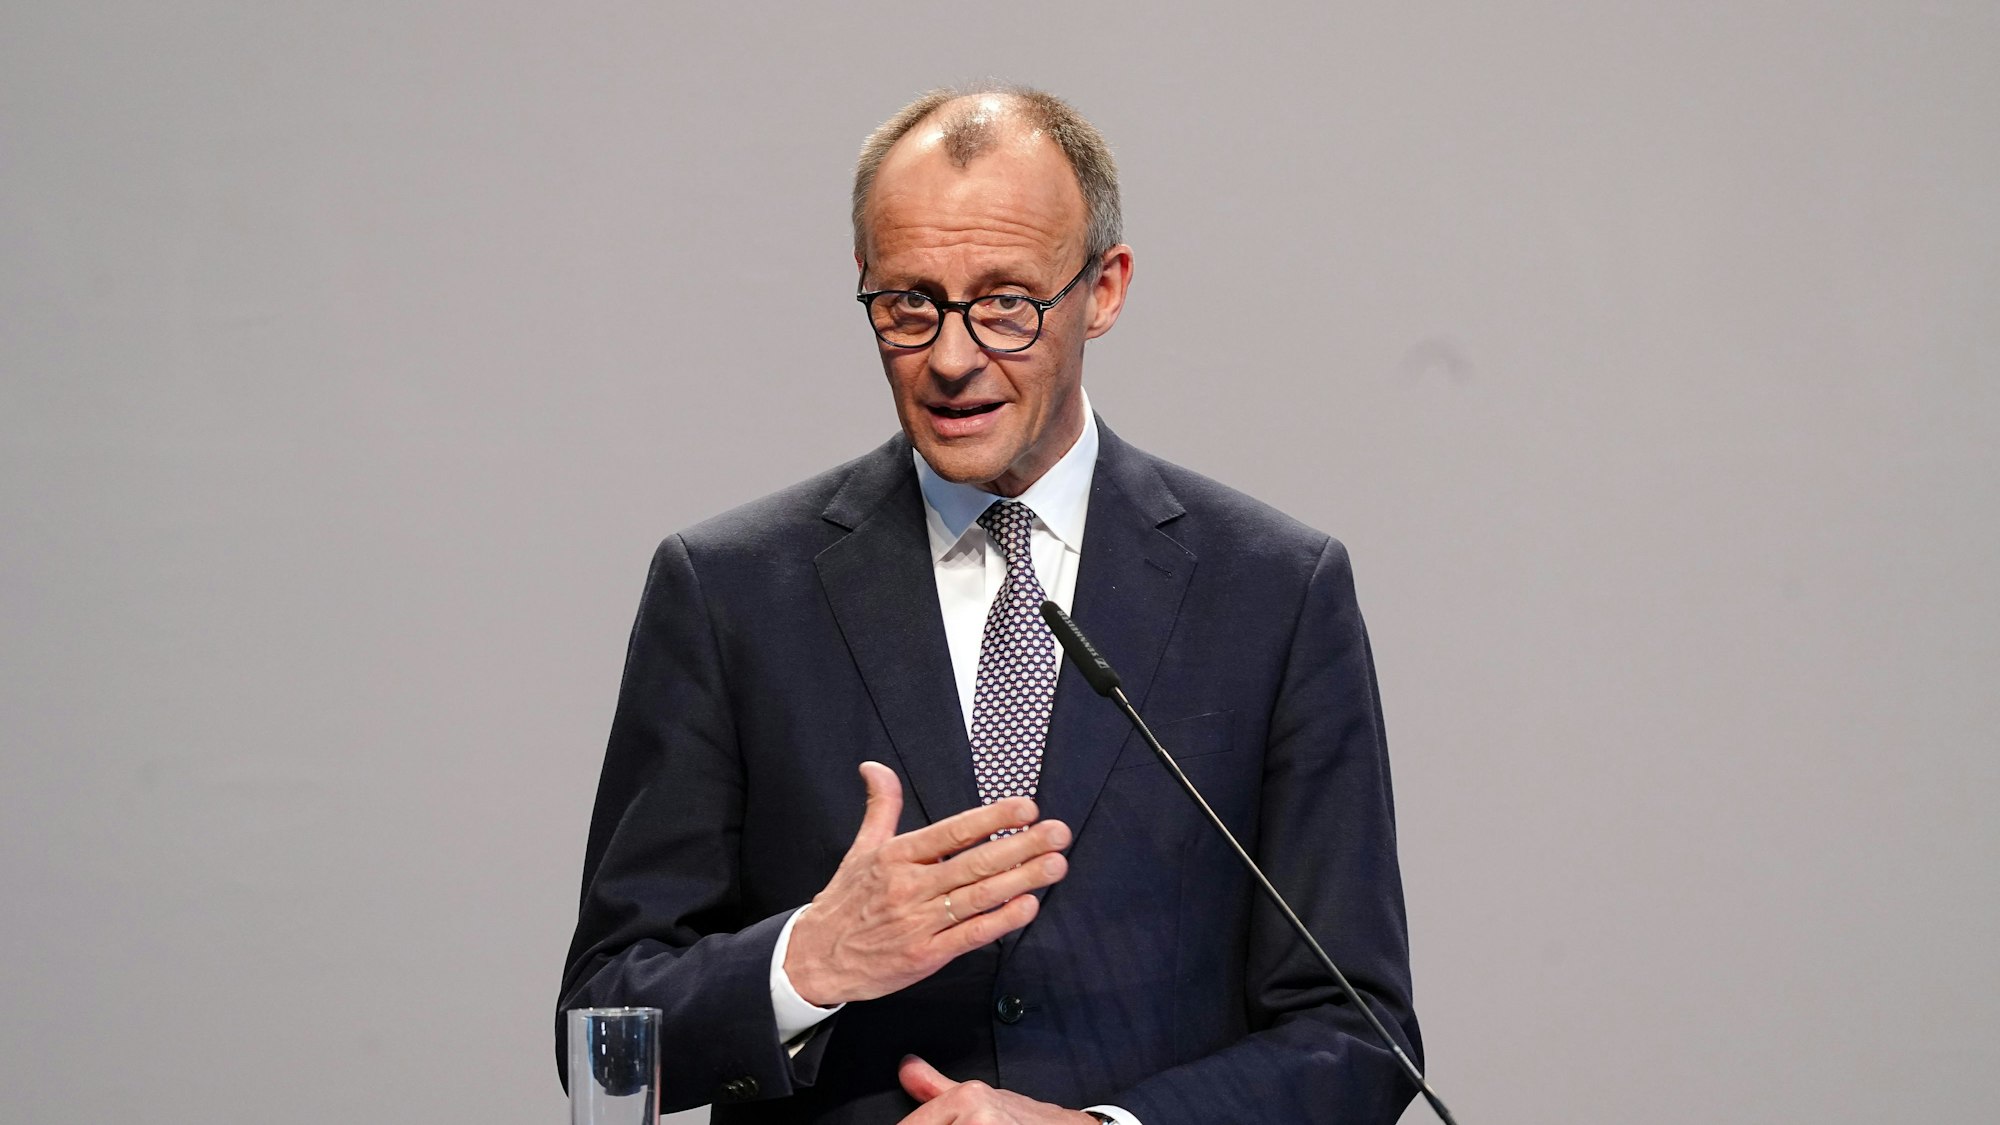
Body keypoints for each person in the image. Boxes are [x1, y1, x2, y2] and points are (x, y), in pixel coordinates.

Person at [558, 84, 1422, 1125]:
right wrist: (807, 961)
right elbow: (605, 1024)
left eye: (1006, 301)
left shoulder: (1275, 593)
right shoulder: (728, 591)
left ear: (1102, 289)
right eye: (909, 302)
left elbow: (1356, 1038)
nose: (952, 357)